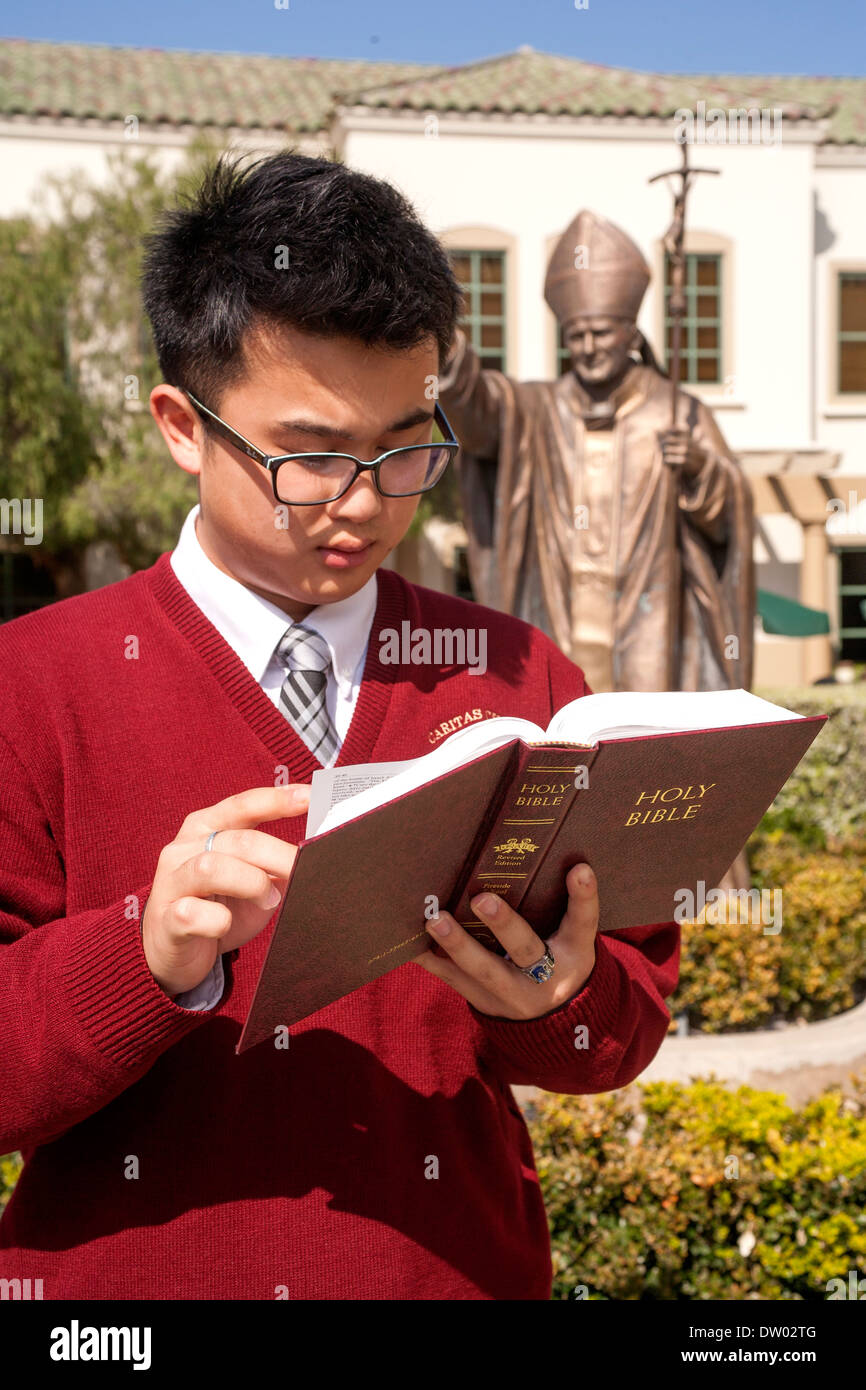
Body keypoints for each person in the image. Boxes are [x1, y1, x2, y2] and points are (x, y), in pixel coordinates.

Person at [0, 153, 678, 1301]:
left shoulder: (518, 674)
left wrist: (554, 1004)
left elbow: (620, 1030)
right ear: (179, 423)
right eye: (310, 456)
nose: (364, 502)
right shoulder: (31, 683)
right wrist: (145, 958)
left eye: (404, 446)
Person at [438, 209, 755, 694]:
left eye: (601, 332)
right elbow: (479, 408)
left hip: (648, 620)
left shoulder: (678, 412)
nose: (588, 347)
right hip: (561, 615)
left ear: (630, 332)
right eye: (575, 335)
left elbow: (730, 515)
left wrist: (697, 469)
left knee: (646, 751)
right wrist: (445, 343)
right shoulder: (538, 410)